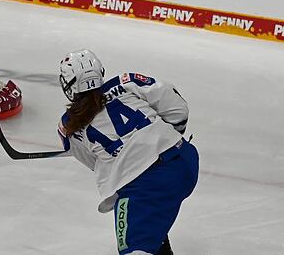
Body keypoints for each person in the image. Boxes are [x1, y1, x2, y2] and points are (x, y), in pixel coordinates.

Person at [56, 50, 198, 255]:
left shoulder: (67, 127)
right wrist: (166, 138)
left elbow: (95, 164)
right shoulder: (126, 82)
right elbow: (178, 110)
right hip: (184, 162)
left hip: (144, 188)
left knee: (135, 249)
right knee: (151, 225)